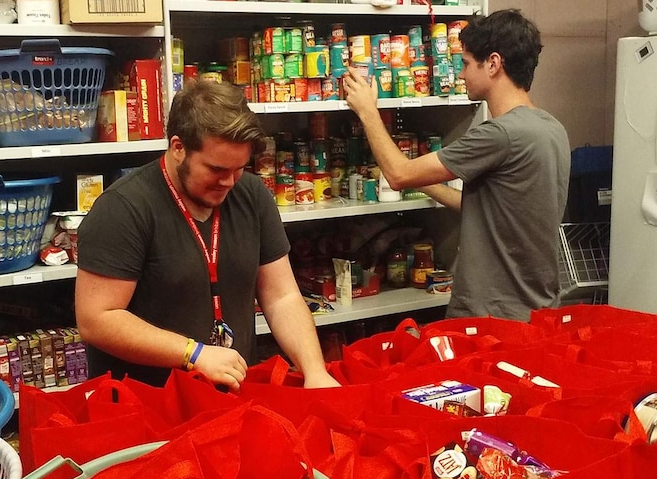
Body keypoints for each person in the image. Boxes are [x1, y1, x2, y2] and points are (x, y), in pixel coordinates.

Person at [75, 79, 340, 390]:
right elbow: (97, 320)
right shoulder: (123, 209)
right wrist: (193, 353)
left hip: (232, 399)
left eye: (239, 167)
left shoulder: (252, 195)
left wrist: (314, 371)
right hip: (150, 408)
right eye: (216, 169)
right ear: (178, 148)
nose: (229, 182)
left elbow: (281, 296)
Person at [343, 9, 571, 322]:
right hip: (535, 310)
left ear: (493, 63)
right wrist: (423, 179)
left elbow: (397, 175)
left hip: (491, 316)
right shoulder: (551, 127)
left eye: (465, 63)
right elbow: (492, 210)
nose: (461, 75)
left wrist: (367, 111)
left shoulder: (501, 134)